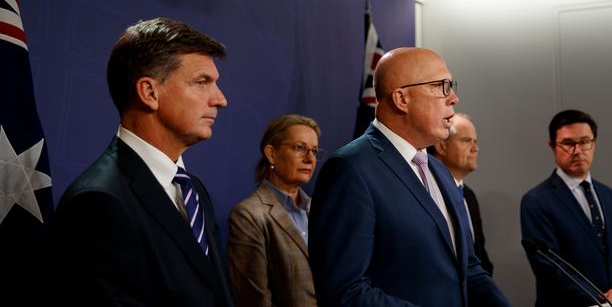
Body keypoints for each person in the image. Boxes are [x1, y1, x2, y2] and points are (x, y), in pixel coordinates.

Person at [51, 18, 234, 306]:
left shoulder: (193, 190)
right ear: (149, 92)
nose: (220, 100)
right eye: (202, 82)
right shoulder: (99, 201)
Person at [309, 47, 511, 307]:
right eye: (441, 86)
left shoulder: (439, 170)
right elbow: (345, 291)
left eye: (451, 85)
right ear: (401, 99)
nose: (454, 98)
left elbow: (468, 268)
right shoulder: (350, 170)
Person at [521, 109, 612, 307]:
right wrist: (601, 300)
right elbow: (549, 267)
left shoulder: (608, 195)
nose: (577, 151)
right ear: (552, 147)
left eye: (584, 142)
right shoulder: (536, 200)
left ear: (594, 144)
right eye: (568, 143)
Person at [227, 114, 321, 307]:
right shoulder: (249, 215)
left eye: (314, 150)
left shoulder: (320, 209)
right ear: (271, 153)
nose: (310, 159)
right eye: (299, 148)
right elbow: (253, 300)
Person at [430, 113, 494, 275]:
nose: (475, 148)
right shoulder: (428, 193)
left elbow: (480, 256)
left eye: (475, 141)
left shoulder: (469, 196)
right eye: (466, 141)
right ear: (441, 146)